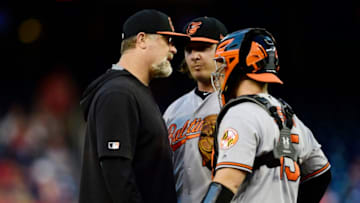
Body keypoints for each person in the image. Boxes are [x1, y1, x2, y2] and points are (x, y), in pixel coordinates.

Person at [202, 28, 332, 203]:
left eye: (223, 63)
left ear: (236, 63)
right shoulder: (290, 118)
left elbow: (226, 185)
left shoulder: (240, 114)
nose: (220, 70)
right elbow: (321, 176)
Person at [79, 9, 189, 203]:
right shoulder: (119, 93)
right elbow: (117, 174)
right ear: (141, 40)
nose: (173, 50)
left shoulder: (133, 91)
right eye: (167, 41)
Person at [163, 16, 228, 202]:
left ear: (224, 50)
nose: (194, 56)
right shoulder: (173, 111)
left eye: (203, 48)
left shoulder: (239, 104)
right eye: (189, 50)